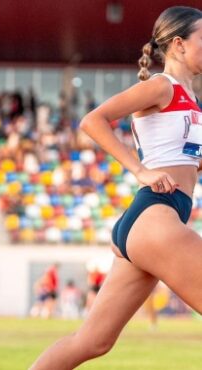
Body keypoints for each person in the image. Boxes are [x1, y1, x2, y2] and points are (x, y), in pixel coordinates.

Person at [31, 6, 202, 369]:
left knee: (93, 342)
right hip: (157, 216)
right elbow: (93, 121)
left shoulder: (191, 98)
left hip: (150, 222)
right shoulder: (160, 85)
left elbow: (184, 160)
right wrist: (140, 171)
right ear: (178, 44)